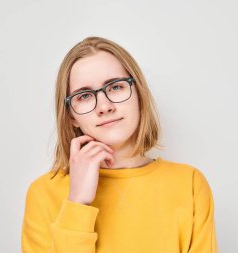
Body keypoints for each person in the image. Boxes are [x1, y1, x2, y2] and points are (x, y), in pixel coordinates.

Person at [21, 36, 219, 253]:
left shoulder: (188, 184)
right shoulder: (42, 194)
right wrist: (77, 203)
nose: (104, 106)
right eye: (84, 95)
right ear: (71, 116)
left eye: (115, 87)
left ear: (139, 95)